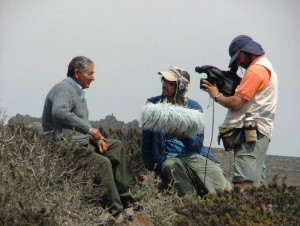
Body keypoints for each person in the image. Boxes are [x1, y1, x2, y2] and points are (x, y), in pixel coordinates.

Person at [42, 56, 137, 223]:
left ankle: (126, 199)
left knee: (115, 146)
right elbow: (59, 113)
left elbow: (80, 124)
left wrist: (96, 139)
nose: (93, 77)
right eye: (90, 73)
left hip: (82, 143)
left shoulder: (78, 93)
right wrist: (90, 130)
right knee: (102, 162)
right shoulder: (63, 89)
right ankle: (115, 210)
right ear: (77, 73)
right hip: (63, 148)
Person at [201, 35, 278, 193]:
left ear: (247, 51)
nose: (238, 63)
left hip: (250, 134)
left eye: (238, 58)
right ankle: (263, 217)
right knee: (258, 188)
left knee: (242, 184)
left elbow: (236, 103)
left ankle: (242, 217)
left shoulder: (256, 71)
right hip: (260, 133)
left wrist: (216, 94)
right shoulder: (265, 67)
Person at [141, 66, 232, 197]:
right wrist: (153, 171)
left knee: (217, 179)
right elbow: (146, 142)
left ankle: (228, 203)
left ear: (181, 86)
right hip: (169, 158)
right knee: (171, 165)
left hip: (193, 155)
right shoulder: (154, 106)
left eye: (170, 83)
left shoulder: (194, 109)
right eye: (163, 80)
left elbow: (197, 144)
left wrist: (183, 136)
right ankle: (192, 204)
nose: (164, 85)